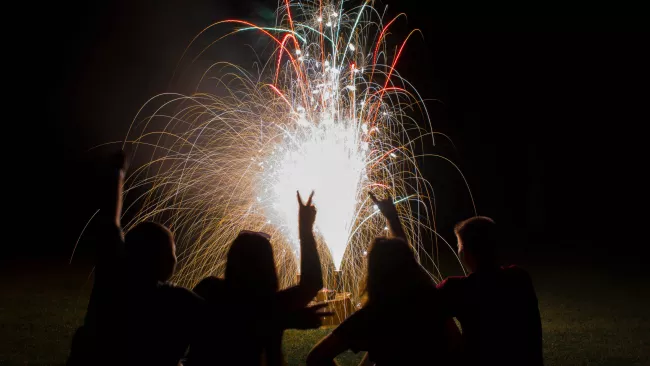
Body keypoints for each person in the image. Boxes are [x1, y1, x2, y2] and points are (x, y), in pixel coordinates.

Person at [306, 193, 459, 366]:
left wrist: (305, 228)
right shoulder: (431, 300)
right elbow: (456, 342)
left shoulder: (371, 315)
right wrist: (392, 217)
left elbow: (316, 358)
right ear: (410, 265)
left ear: (373, 273)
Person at [187, 191, 326, 366]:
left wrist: (284, 319)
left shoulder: (209, 289)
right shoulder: (271, 305)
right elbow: (312, 282)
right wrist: (305, 229)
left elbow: (234, 318)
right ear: (269, 266)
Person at [437, 216, 543, 366]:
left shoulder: (459, 289)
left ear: (464, 252)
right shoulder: (520, 278)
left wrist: (394, 222)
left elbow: (421, 295)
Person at [68, 152, 128, 366]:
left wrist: (117, 174)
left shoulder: (113, 279)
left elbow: (111, 228)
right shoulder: (171, 299)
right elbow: (110, 228)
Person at [124, 221, 204, 366]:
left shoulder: (115, 290)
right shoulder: (178, 299)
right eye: (172, 251)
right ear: (165, 259)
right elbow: (217, 321)